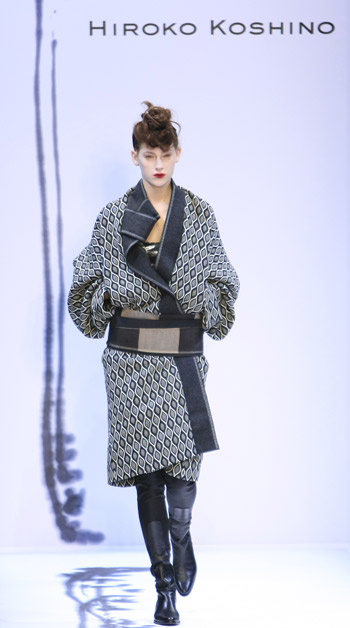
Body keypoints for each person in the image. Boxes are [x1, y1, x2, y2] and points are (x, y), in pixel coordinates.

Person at [68, 102, 240, 626]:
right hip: (130, 359)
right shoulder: (114, 218)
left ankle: (182, 539)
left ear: (177, 155)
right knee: (148, 474)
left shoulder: (201, 214)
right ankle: (162, 583)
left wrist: (189, 293)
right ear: (135, 156)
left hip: (183, 353)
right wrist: (117, 292)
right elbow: (84, 290)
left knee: (182, 467)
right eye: (149, 154)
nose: (158, 163)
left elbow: (224, 287)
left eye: (166, 154)